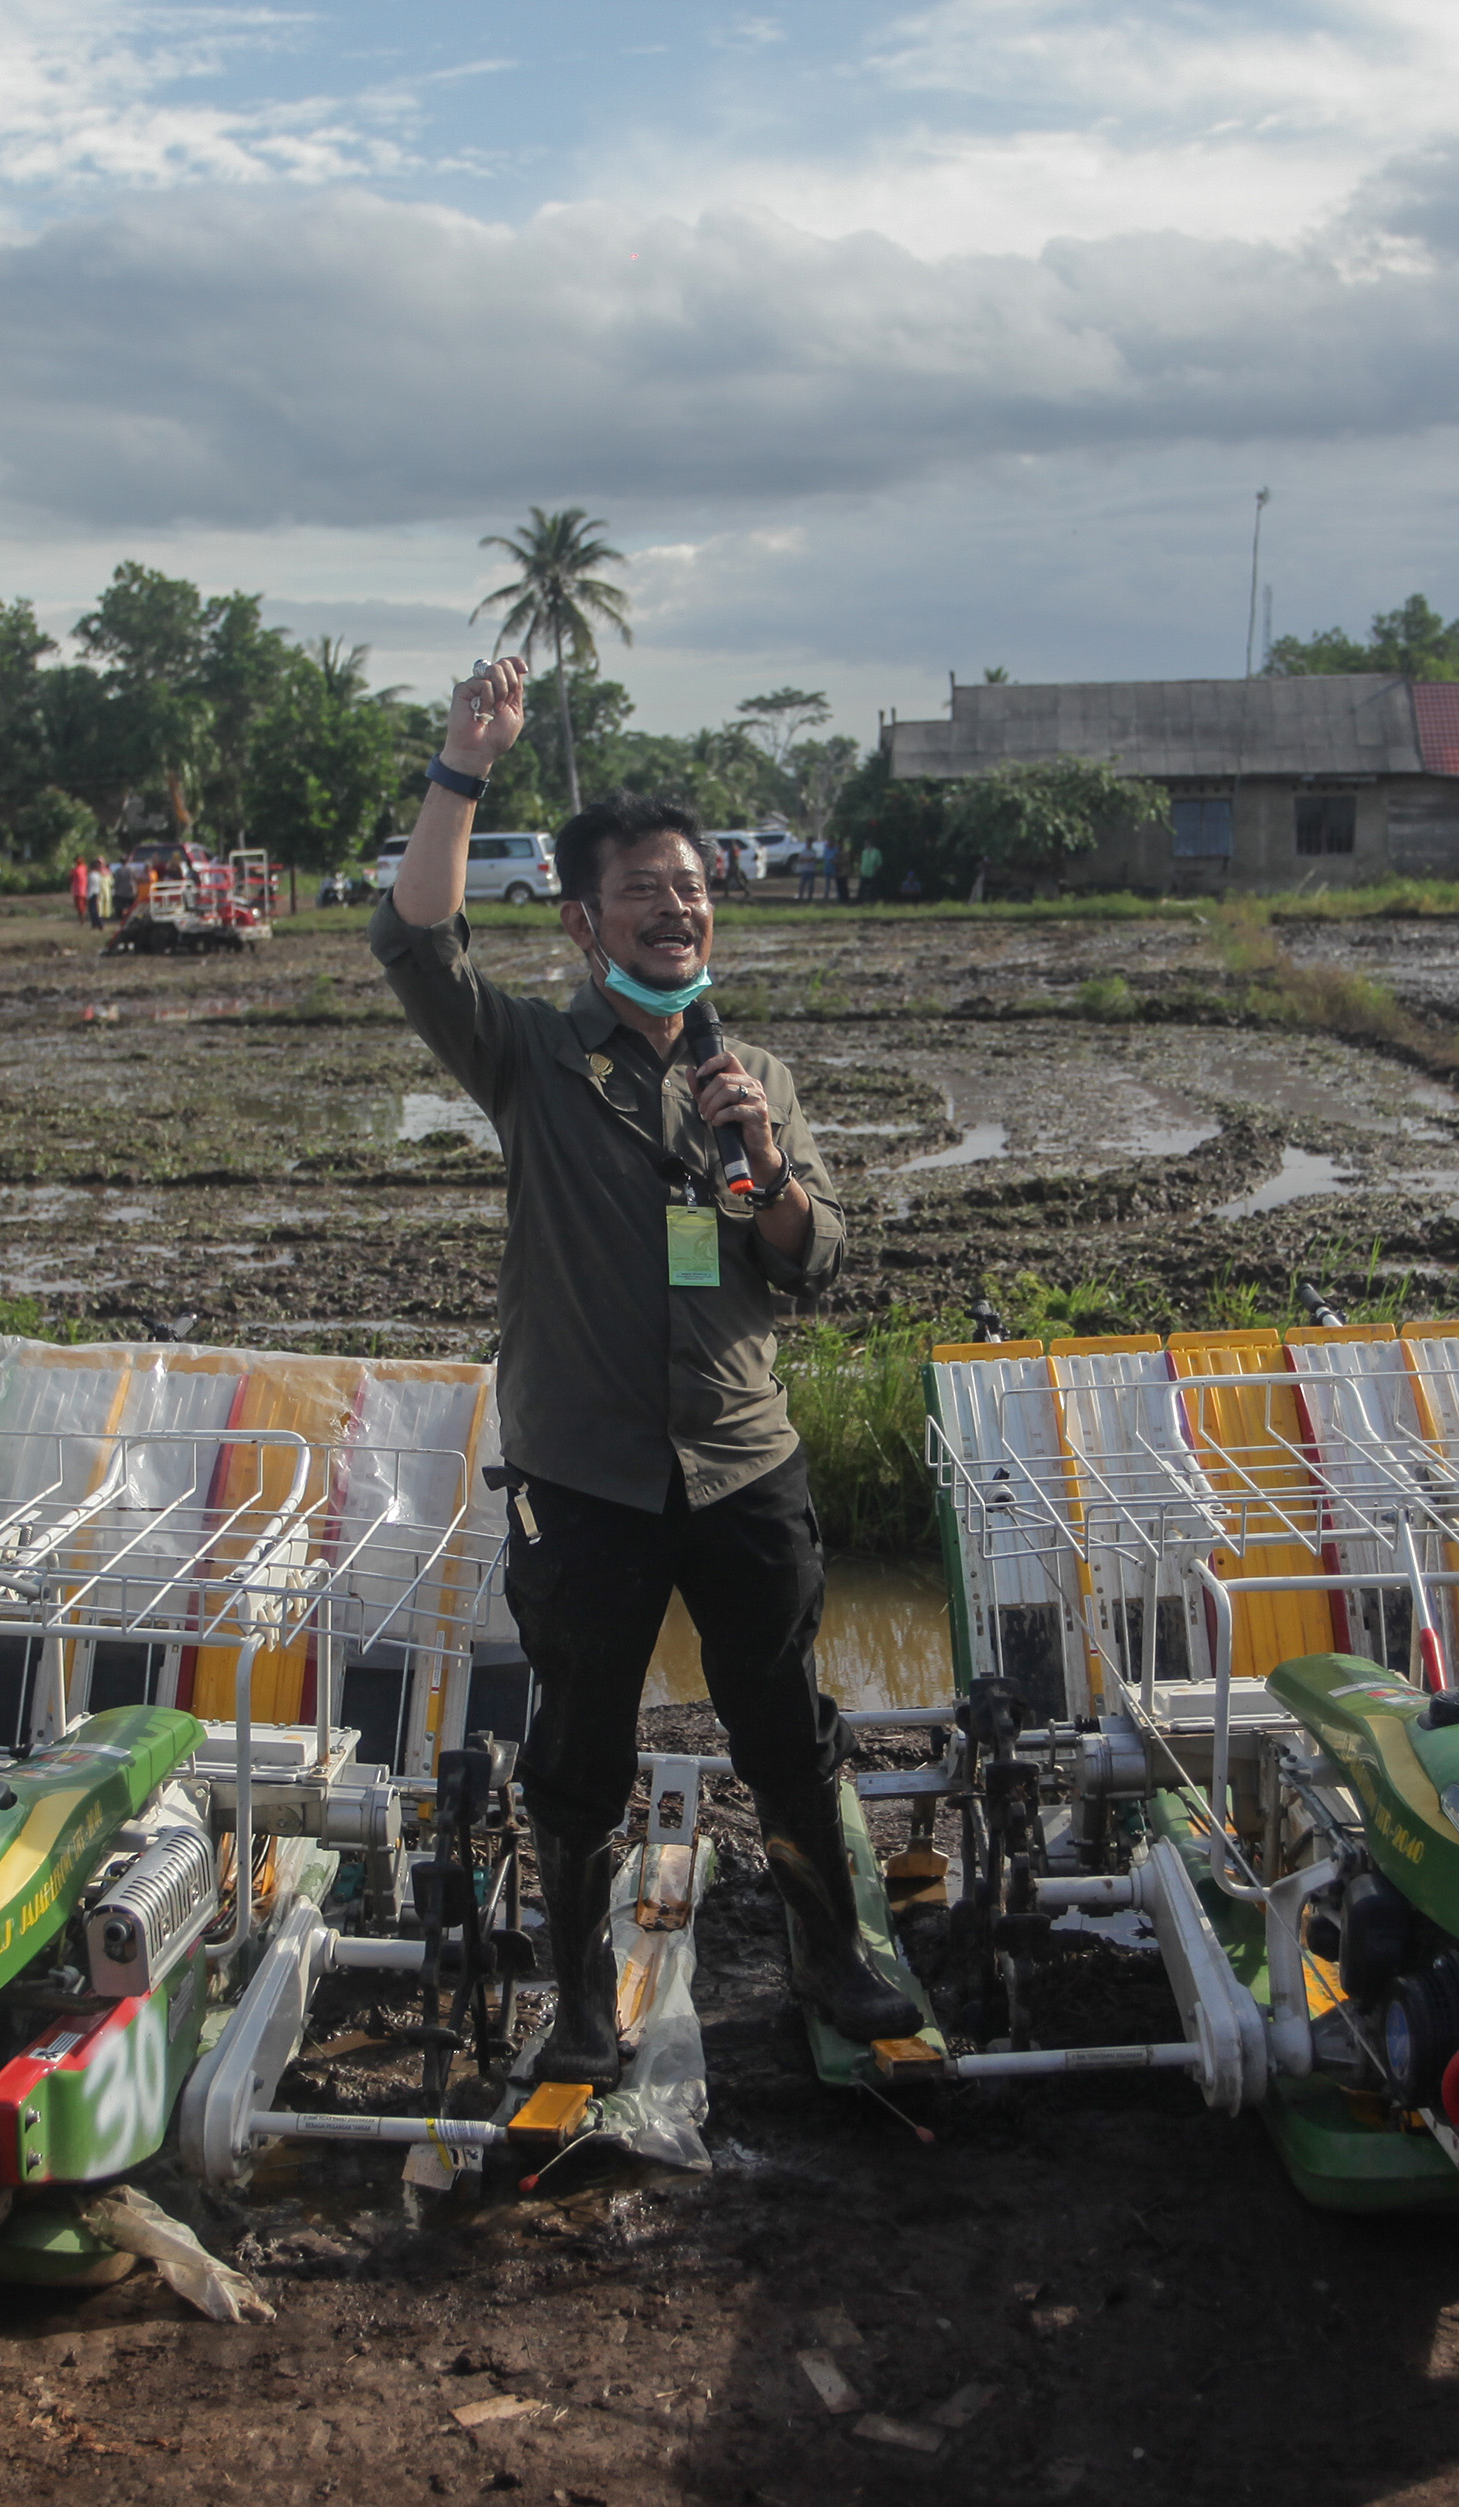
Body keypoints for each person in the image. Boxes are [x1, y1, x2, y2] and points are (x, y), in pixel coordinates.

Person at [370, 658, 914, 2085]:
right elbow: (416, 942)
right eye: (644, 892)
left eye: (693, 888)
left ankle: (831, 1954)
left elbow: (814, 1259)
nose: (678, 910)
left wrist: (769, 1167)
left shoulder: (759, 1077)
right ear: (581, 920)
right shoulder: (535, 1059)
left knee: (785, 1726)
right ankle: (571, 1996)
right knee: (576, 1756)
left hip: (741, 1460)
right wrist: (460, 764)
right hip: (585, 1475)